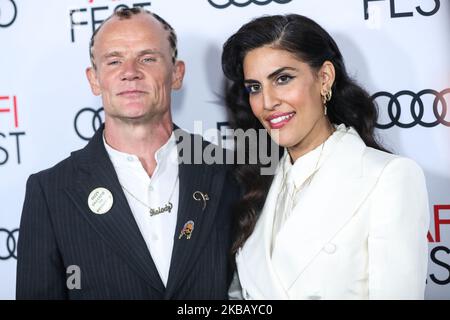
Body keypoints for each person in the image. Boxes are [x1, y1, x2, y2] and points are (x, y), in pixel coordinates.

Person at [16, 8, 240, 299]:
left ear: (177, 73)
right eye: (114, 61)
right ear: (94, 80)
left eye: (147, 58)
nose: (130, 72)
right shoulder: (50, 192)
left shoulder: (229, 171)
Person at [221, 14, 430, 299]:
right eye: (255, 88)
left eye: (283, 79)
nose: (267, 102)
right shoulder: (256, 184)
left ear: (324, 77)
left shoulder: (389, 178)